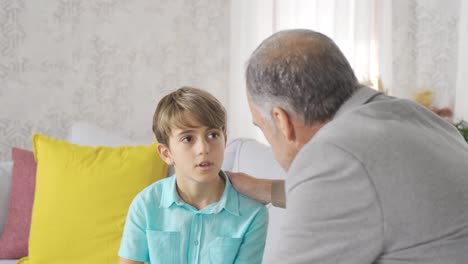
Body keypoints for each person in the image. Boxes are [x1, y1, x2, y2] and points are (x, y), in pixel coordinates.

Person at [227, 29, 468, 263]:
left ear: (282, 120)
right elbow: (372, 197)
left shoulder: (333, 155)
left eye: (262, 127)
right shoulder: (418, 117)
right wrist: (268, 190)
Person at [118, 87, 268, 264]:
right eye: (188, 138)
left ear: (225, 140)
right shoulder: (145, 205)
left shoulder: (253, 215)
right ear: (166, 153)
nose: (204, 149)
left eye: (213, 135)